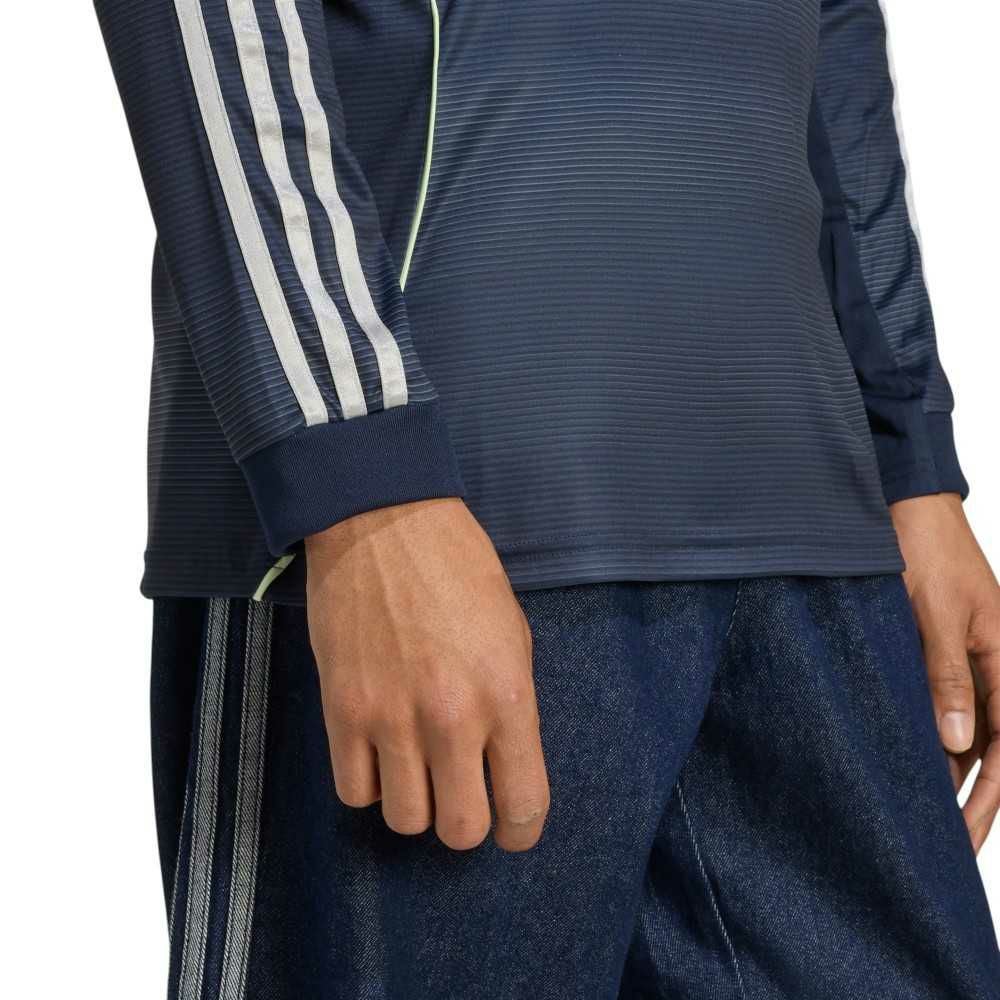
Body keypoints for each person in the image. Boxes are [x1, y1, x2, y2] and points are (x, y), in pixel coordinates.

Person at [97, 0, 1000, 996]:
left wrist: (909, 458)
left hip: (811, 509)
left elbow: (835, 28)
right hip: (447, 506)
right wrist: (356, 478)